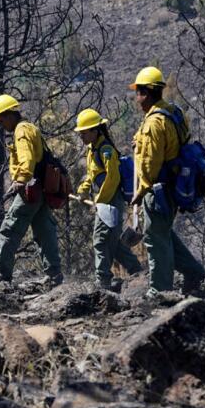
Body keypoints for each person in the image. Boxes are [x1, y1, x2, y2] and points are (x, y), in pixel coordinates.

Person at [129, 67, 205, 298]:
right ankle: (193, 271)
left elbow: (151, 165)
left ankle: (160, 290)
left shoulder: (154, 122)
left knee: (155, 238)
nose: (136, 98)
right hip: (173, 184)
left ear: (147, 93)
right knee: (163, 232)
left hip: (158, 188)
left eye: (138, 93)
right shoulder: (172, 112)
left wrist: (141, 191)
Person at [0, 94, 63, 286]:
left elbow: (27, 159)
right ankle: (54, 275)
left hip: (30, 188)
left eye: (1, 120)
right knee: (45, 231)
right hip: (41, 188)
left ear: (9, 115)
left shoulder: (20, 130)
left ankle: (2, 273)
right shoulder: (29, 127)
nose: (1, 124)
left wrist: (20, 179)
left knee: (9, 229)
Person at [74, 108, 143, 290]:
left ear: (95, 130)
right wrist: (83, 190)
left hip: (111, 201)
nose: (81, 136)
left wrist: (100, 201)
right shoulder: (92, 150)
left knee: (101, 239)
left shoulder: (106, 150)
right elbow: (92, 174)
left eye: (84, 132)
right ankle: (138, 271)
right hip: (104, 201)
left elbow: (112, 178)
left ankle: (103, 280)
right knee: (113, 242)